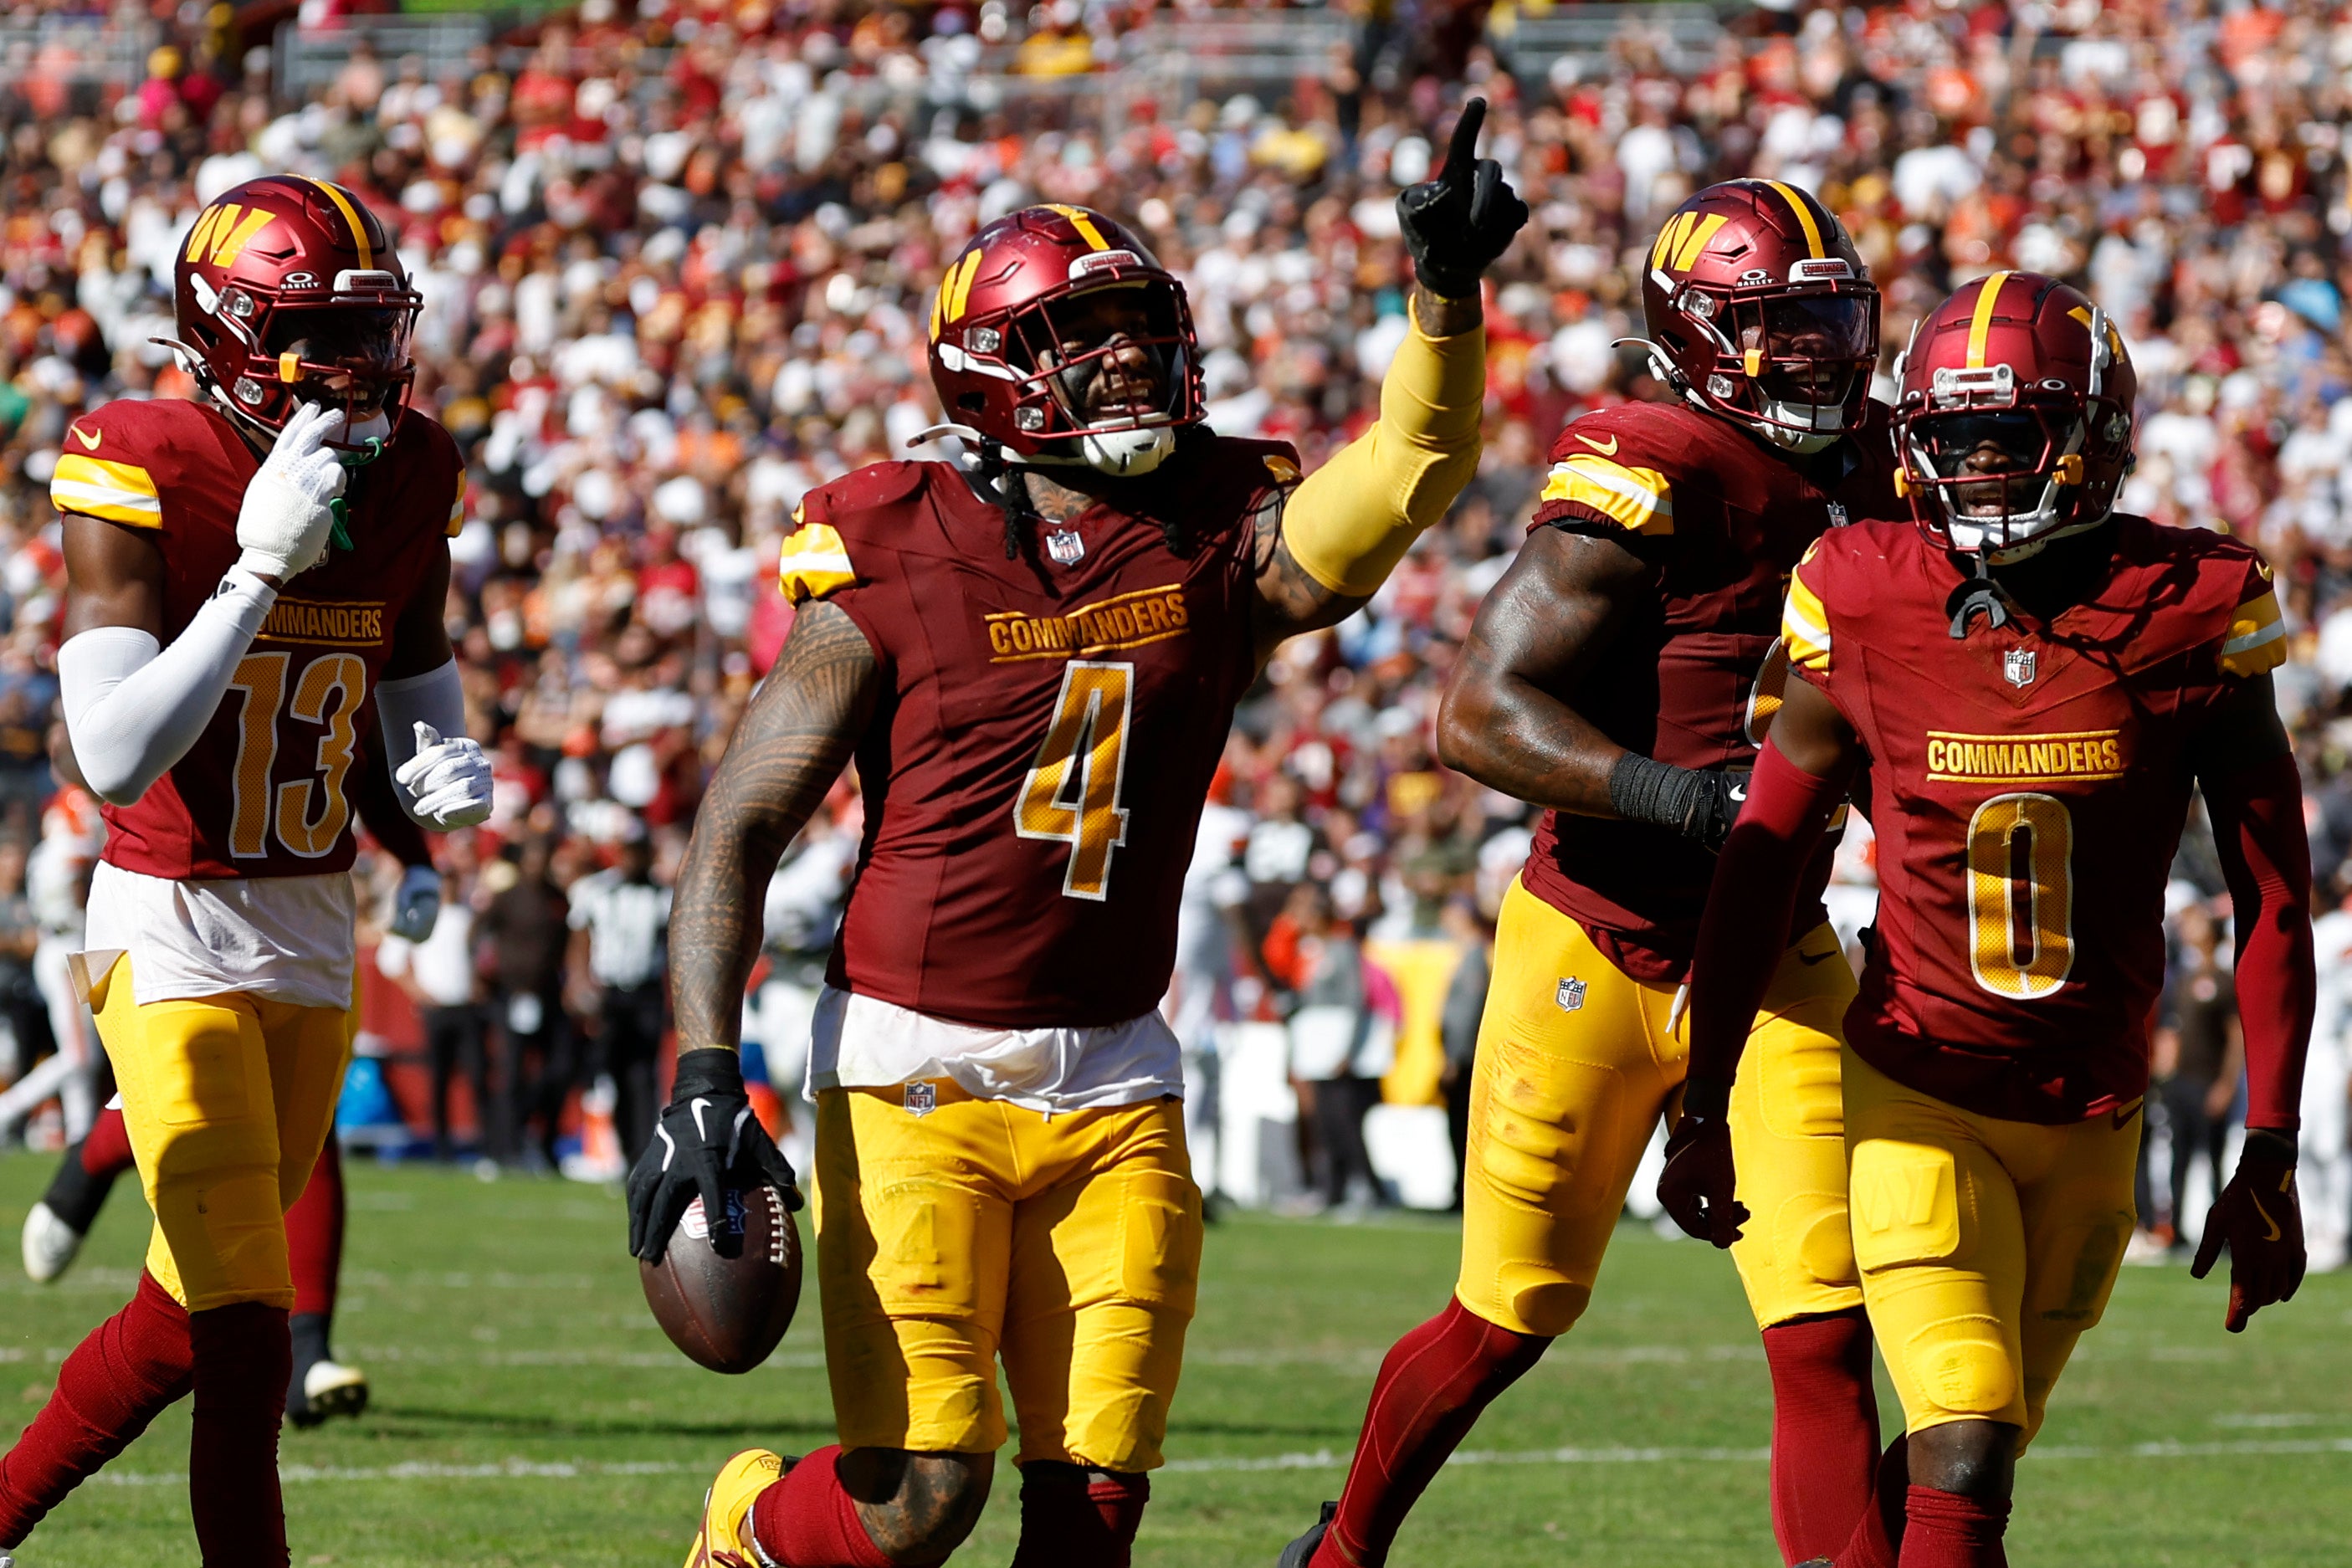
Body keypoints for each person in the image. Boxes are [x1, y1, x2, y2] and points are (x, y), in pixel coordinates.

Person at [647, 104, 1524, 1568]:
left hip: (1117, 1065)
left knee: (1097, 1502)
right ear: (990, 368)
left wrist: (1442, 300)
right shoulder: (895, 542)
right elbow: (737, 827)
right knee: (923, 1496)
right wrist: (696, 1069)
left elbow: (1412, 472)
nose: (1126, 356)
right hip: (913, 1068)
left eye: (1137, 325)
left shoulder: (1212, 529)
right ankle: (748, 1526)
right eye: (1081, 332)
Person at [1282, 179, 1900, 1568]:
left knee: (1824, 1327)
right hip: (1591, 944)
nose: (1811, 355)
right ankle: (1338, 1552)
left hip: (1773, 943)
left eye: (1823, 324)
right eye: (1772, 328)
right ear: (1693, 334)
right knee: (1511, 1311)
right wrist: (1685, 799)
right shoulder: (1649, 460)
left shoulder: (1878, 464)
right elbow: (1478, 713)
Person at [1667, 271, 2313, 1568]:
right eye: (1943, 440)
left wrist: (2269, 1145)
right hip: (1918, 1089)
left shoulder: (2191, 604)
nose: (1965, 469)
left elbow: (2272, 894)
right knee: (1961, 1436)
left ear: (2085, 435)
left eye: (1998, 437)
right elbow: (1762, 852)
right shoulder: (1859, 586)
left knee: (1960, 1467)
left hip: (2092, 1115)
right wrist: (1704, 1092)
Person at [0, 175, 492, 1567]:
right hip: (167, 916)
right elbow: (108, 748)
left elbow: (414, 672)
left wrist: (446, 760)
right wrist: (252, 574)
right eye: (314, 333)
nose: (355, 365)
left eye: (368, 329)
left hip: (308, 920)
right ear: (223, 336)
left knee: (180, 1315)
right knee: (245, 1330)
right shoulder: (138, 451)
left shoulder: (414, 469)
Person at [21, 723, 447, 1434]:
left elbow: (364, 736)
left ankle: (306, 1345)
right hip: (149, 906)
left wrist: (417, 848)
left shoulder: (343, 613)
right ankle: (86, 1167)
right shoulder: (173, 611)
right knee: (189, 1112)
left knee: (292, 1131)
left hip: (287, 915)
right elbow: (79, 740)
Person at [566, 823, 671, 1166]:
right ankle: (621, 1149)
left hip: (645, 991)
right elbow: (580, 937)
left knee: (642, 1074)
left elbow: (672, 945)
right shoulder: (596, 890)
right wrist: (580, 982)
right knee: (610, 1069)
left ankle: (642, 1152)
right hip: (608, 992)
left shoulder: (662, 894)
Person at [478, 834, 575, 1170]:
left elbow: (569, 943)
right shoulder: (507, 898)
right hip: (512, 993)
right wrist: (485, 976)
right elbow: (478, 934)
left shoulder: (557, 899)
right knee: (512, 1072)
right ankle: (505, 1148)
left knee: (559, 1069)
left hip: (547, 994)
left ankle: (544, 1142)